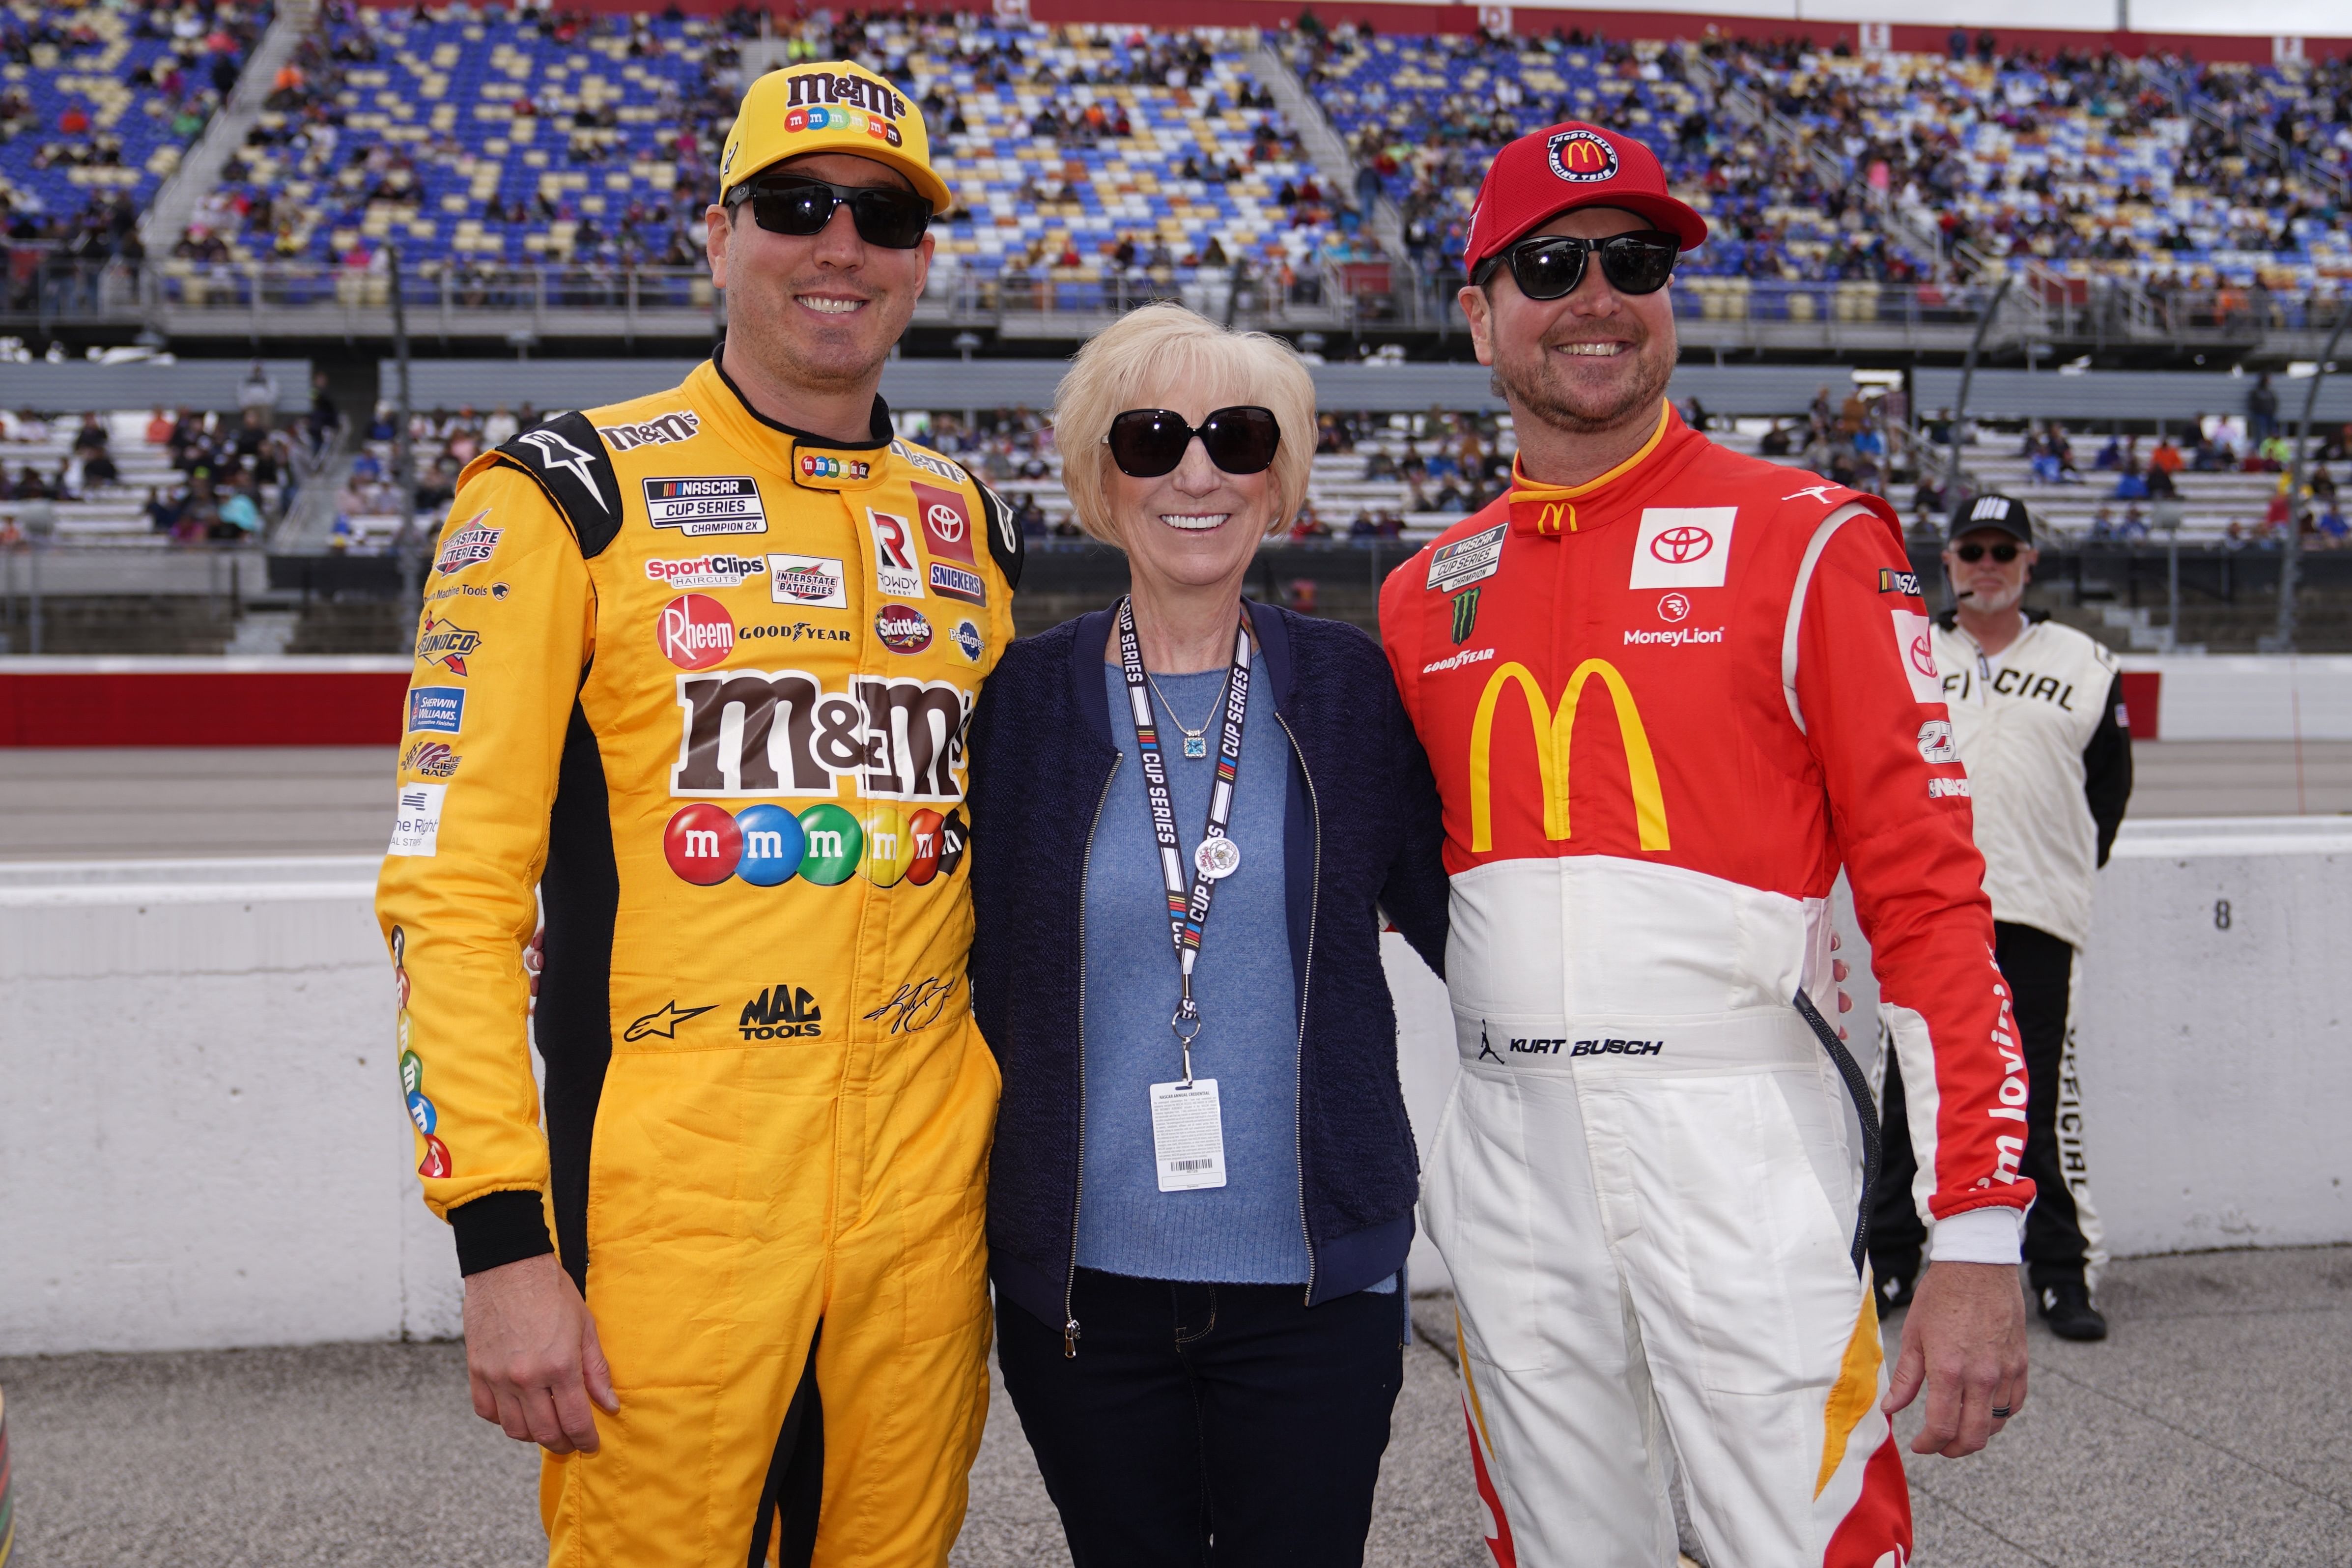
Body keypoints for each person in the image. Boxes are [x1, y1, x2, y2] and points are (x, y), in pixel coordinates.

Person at [374, 60, 1023, 1568]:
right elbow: (450, 898)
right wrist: (501, 1244)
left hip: (924, 1216)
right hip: (673, 1206)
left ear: (924, 257)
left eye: (883, 214)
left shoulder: (967, 520)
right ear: (717, 235)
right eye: (796, 206)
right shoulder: (562, 495)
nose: (839, 247)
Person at [1378, 121, 2032, 1568]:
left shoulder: (1807, 536)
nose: (1597, 293)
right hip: (1507, 1154)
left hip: (1740, 1142)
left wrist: (1977, 1228)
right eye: (1550, 265)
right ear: (1478, 317)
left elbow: (1930, 899)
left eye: (1636, 259)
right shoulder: (1424, 592)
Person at [965, 304, 1449, 1567]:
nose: (1197, 472)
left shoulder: (1351, 689)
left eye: (1238, 439)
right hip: (1085, 1295)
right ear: (1099, 476)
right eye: (1151, 438)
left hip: (1313, 1288)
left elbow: (1470, 912)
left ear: (1279, 481)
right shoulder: (1018, 702)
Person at [1871, 496, 2133, 1340]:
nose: (1987, 563)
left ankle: (2060, 1274)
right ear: (1946, 561)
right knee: (1912, 1091)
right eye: (1971, 548)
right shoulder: (1908, 650)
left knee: (2039, 1098)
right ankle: (1891, 1258)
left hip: (2035, 911)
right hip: (1927, 908)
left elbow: (2109, 793)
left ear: (2029, 563)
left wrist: (2054, 873)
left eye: (2004, 550)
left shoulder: (2085, 660)